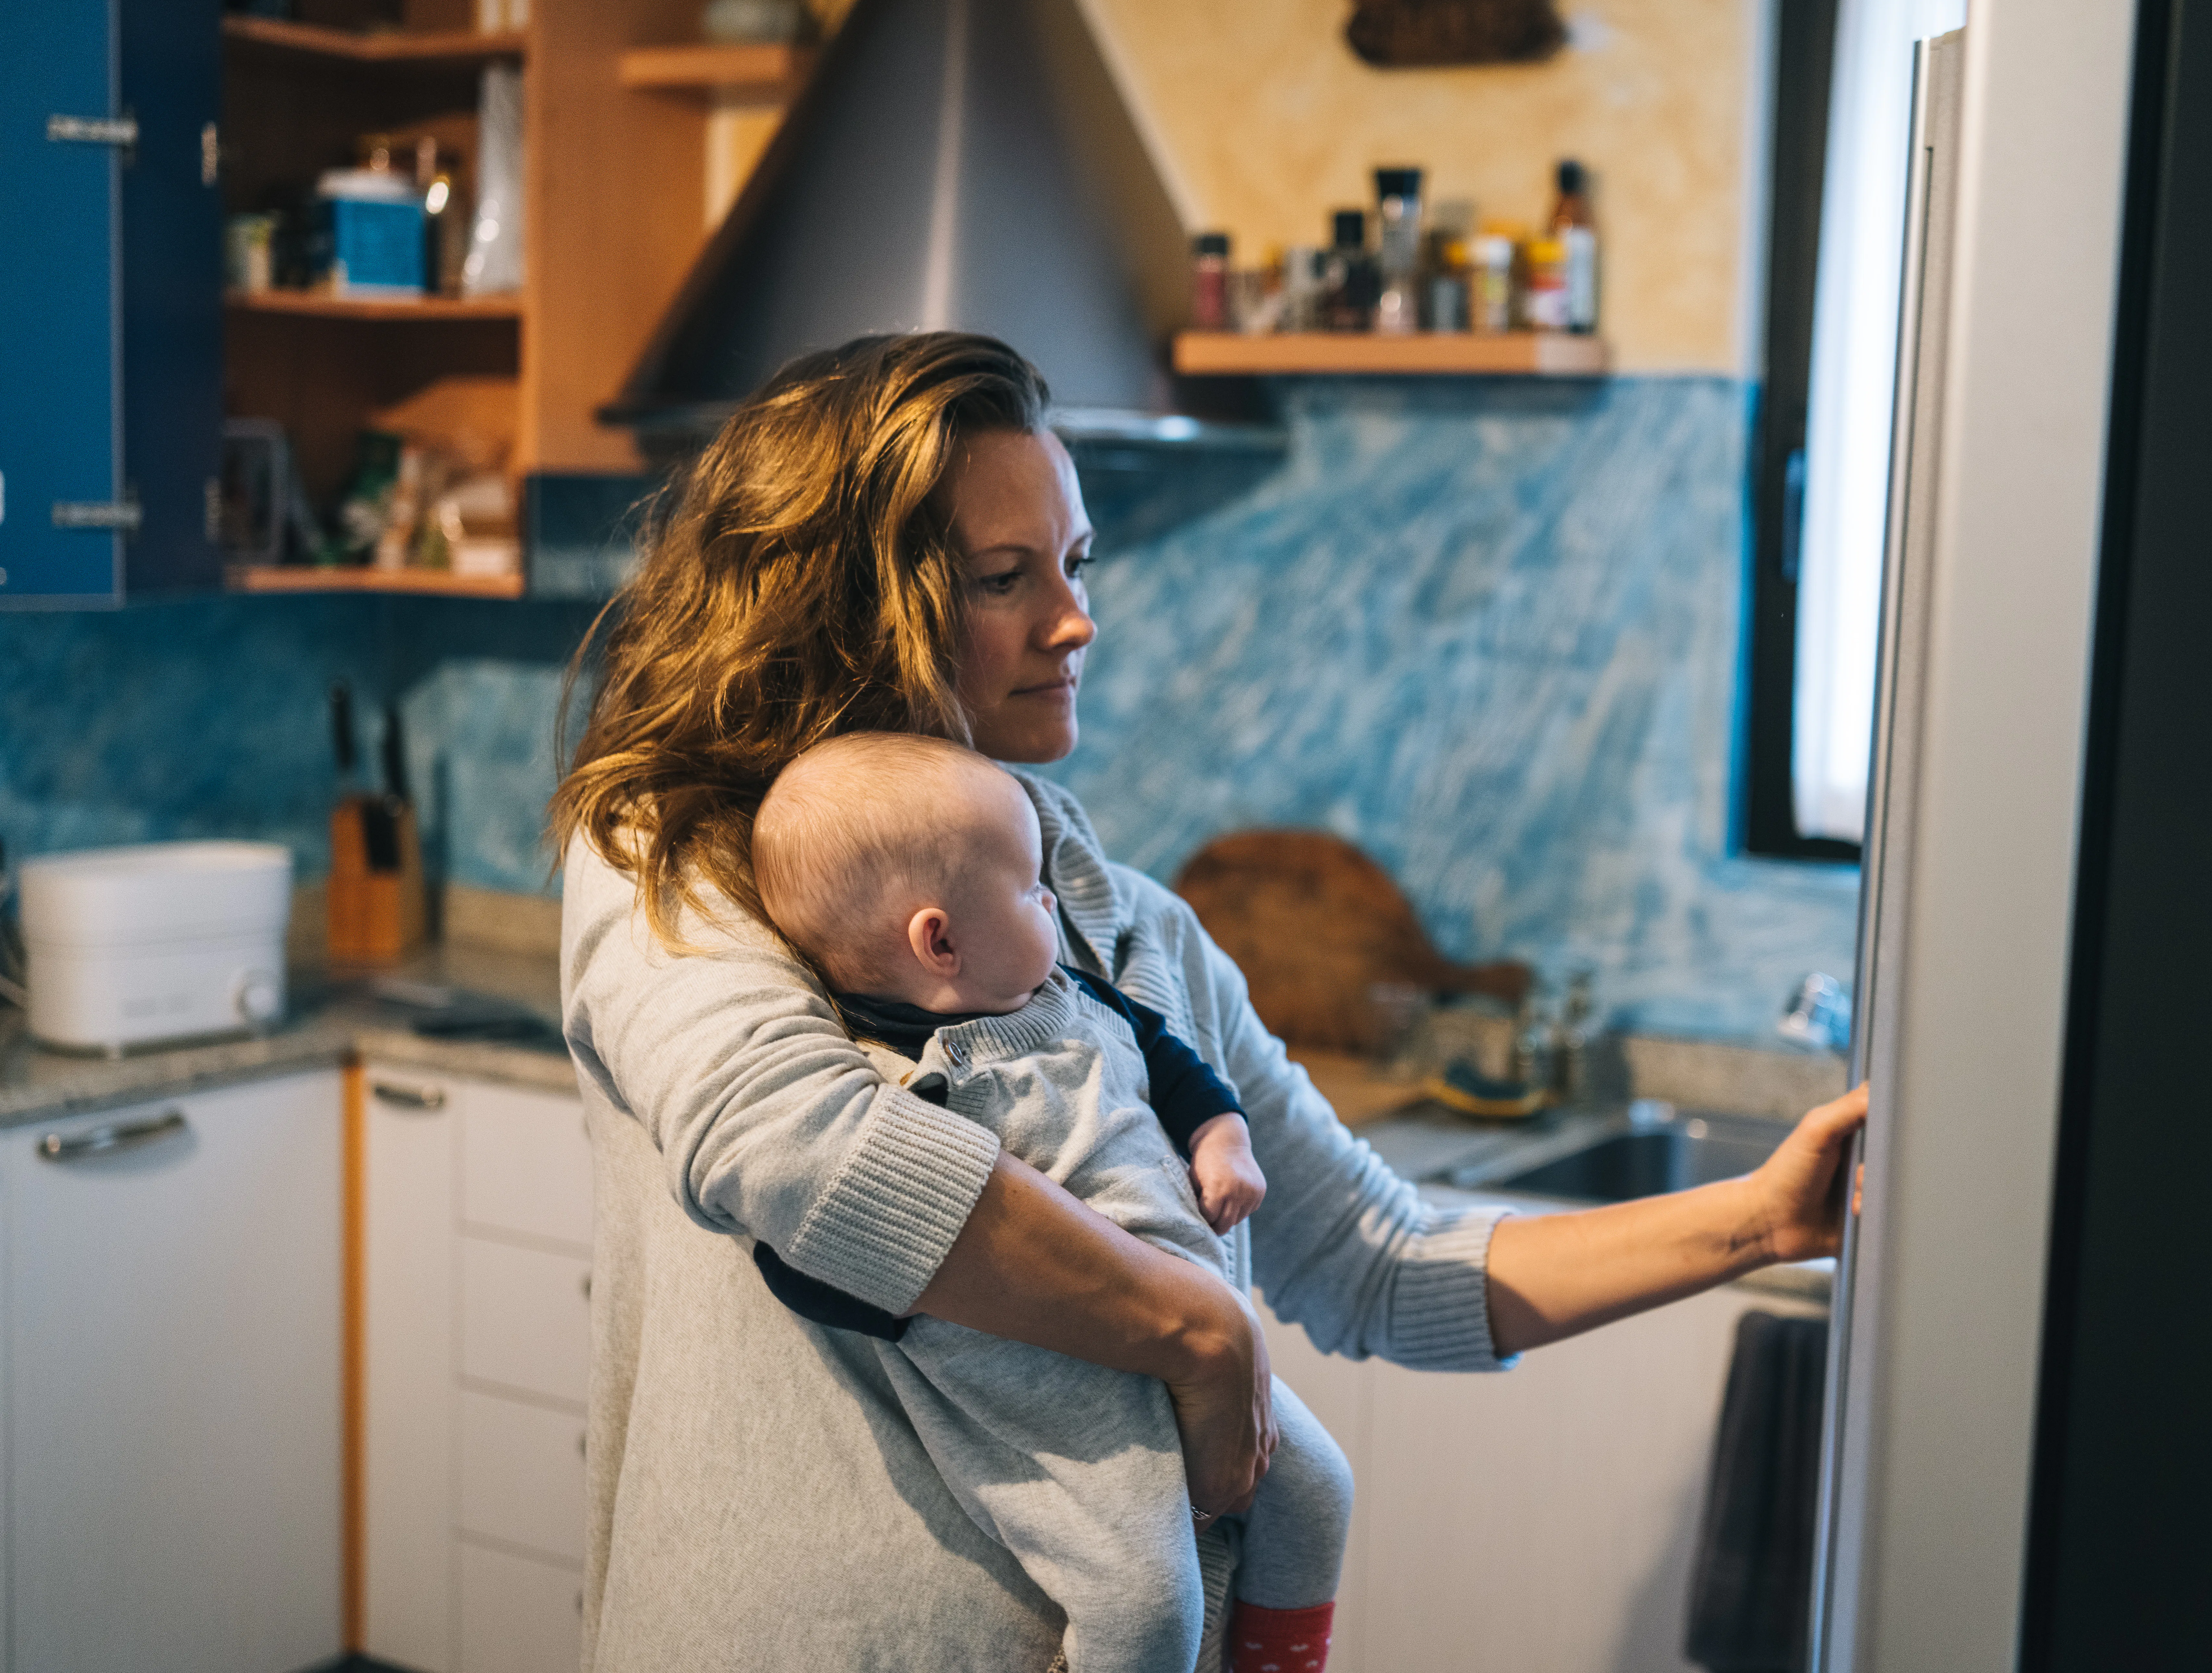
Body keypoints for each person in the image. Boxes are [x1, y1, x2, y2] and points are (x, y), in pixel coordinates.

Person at [550, 330, 1868, 1672]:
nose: (1074, 621)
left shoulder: (1137, 935)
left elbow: (1377, 1260)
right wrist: (1192, 1326)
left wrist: (1761, 1221)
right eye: (1004, 578)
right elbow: (789, 1139)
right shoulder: (674, 866)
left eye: (1074, 565)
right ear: (845, 610)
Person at [748, 730, 1352, 1671]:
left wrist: (1222, 1138)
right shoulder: (902, 1095)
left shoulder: (1070, 995)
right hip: (1070, 1404)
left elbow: (1171, 1063)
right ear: (941, 941)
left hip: (1209, 1348)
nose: (1053, 903)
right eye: (1030, 889)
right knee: (1148, 1606)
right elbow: (813, 1239)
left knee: (1321, 1490)